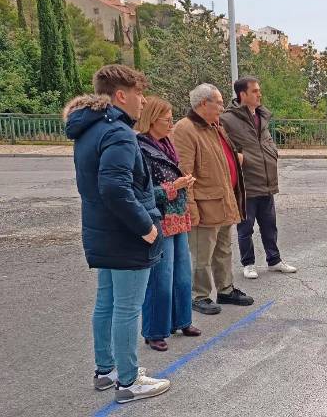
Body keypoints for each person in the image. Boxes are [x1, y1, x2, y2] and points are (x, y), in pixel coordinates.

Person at [64, 64, 170, 403]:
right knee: (127, 308)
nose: (143, 100)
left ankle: (106, 370)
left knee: (107, 303)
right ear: (121, 95)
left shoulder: (90, 129)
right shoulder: (118, 133)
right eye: (139, 93)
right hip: (126, 235)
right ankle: (128, 381)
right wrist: (147, 228)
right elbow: (115, 188)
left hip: (103, 232)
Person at [172, 83, 255, 315]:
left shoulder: (214, 126)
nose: (222, 107)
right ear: (203, 104)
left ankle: (225, 289)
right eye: (218, 102)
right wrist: (190, 208)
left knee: (223, 249)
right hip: (204, 204)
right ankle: (199, 296)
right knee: (202, 254)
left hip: (222, 200)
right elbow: (184, 173)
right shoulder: (185, 129)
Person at [135, 97, 201, 351]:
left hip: (178, 218)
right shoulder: (141, 149)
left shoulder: (166, 145)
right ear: (152, 120)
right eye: (167, 120)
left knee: (182, 274)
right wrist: (174, 187)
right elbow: (143, 193)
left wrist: (183, 183)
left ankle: (182, 320)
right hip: (160, 219)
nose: (171, 124)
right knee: (160, 278)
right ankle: (154, 330)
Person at [221, 76, 297, 279]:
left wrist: (273, 151)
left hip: (266, 181)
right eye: (254, 91)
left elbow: (265, 141)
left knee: (270, 226)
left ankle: (274, 260)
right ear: (242, 94)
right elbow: (222, 146)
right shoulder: (227, 119)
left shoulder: (261, 115)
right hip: (246, 183)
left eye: (259, 90)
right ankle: (248, 263)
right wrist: (239, 158)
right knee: (245, 228)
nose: (259, 94)